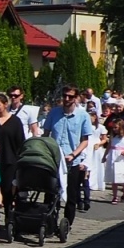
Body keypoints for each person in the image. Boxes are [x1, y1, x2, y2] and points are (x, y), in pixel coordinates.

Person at [41, 87, 92, 223]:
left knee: (71, 194)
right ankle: (49, 221)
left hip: (71, 161)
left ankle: (67, 223)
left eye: (70, 96)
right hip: (54, 159)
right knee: (50, 191)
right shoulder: (54, 113)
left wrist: (73, 154)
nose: (67, 99)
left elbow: (85, 141)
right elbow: (45, 134)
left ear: (76, 98)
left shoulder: (83, 116)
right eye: (65, 96)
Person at [0, 92, 26, 241]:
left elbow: (20, 143)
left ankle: (9, 219)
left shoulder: (15, 122)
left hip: (10, 161)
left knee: (7, 191)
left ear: (5, 104)